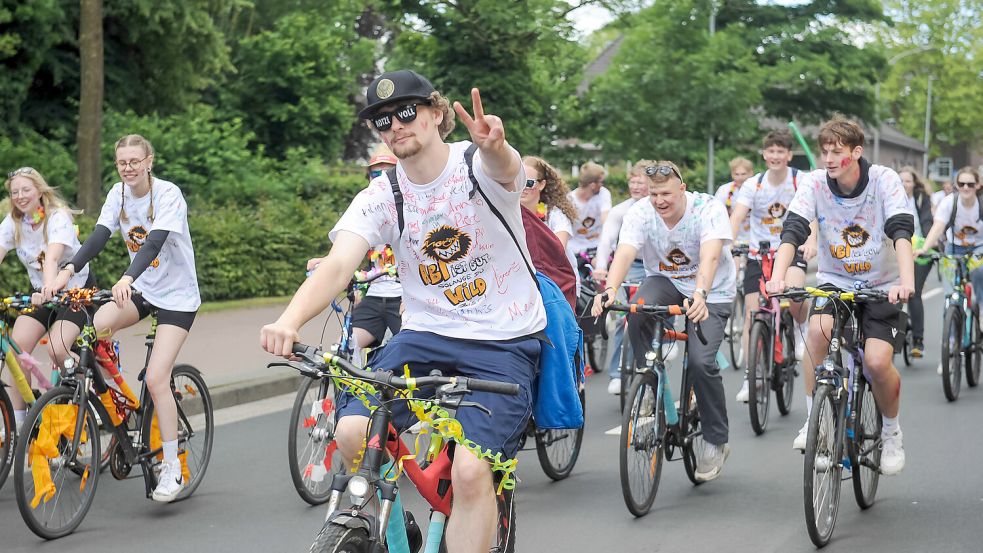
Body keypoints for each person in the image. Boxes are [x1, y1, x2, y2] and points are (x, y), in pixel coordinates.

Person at [260, 70, 545, 553]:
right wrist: (289, 320)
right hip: (426, 336)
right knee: (352, 432)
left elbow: (507, 167)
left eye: (407, 111)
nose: (395, 124)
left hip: (505, 338)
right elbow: (336, 267)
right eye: (382, 119)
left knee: (472, 470)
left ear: (436, 114)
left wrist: (495, 145)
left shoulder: (476, 164)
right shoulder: (382, 194)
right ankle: (393, 534)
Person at [49, 134, 202, 501]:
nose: (128, 168)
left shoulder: (168, 194)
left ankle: (170, 468)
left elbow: (155, 241)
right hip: (143, 289)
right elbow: (99, 236)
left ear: (149, 160)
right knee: (90, 332)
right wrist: (69, 269)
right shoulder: (116, 194)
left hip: (177, 296)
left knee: (155, 377)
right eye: (122, 162)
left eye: (135, 161)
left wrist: (127, 277)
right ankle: (118, 403)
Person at [766, 116, 913, 476]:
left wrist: (906, 281)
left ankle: (892, 433)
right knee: (815, 334)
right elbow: (794, 230)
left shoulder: (882, 180)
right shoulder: (815, 183)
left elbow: (900, 231)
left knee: (877, 363)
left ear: (856, 152)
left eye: (837, 152)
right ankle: (815, 422)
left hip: (882, 284)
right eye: (824, 152)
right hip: (835, 280)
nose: (829, 159)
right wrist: (777, 276)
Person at [593, 160, 735, 482]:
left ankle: (715, 440)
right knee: (637, 309)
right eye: (654, 194)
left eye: (666, 194)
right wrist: (610, 290)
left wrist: (700, 294)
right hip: (666, 282)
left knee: (701, 363)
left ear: (682, 189)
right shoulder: (641, 212)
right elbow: (626, 252)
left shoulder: (707, 208)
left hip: (711, 290)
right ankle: (651, 382)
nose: (659, 201)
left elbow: (711, 255)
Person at [728, 131, 816, 403]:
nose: (776, 156)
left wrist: (810, 241)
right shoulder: (753, 185)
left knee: (794, 291)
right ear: (764, 155)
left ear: (789, 155)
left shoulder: (799, 180)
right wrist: (724, 245)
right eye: (771, 151)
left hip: (791, 249)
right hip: (759, 253)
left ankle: (801, 332)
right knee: (752, 315)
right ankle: (750, 376)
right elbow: (737, 217)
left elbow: (812, 215)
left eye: (781, 152)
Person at [0, 167, 91, 427]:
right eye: (15, 191)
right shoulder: (14, 222)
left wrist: (49, 289)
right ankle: (19, 427)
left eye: (26, 190)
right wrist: (45, 292)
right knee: (16, 350)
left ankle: (81, 396)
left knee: (57, 348)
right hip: (43, 294)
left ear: (39, 190)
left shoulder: (56, 217)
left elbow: (52, 258)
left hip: (74, 291)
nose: (20, 196)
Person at [308, 144, 402, 355]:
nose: (380, 178)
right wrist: (326, 262)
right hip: (375, 298)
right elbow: (345, 254)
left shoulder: (408, 207)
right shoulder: (366, 210)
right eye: (375, 173)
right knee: (343, 348)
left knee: (407, 353)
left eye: (388, 173)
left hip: (404, 299)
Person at [916, 166, 983, 375]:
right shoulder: (949, 203)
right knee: (951, 297)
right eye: (961, 184)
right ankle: (950, 349)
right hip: (953, 249)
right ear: (956, 185)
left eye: (970, 184)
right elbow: (938, 227)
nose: (965, 188)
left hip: (979, 249)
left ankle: (979, 311)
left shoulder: (981, 204)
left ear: (977, 186)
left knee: (979, 278)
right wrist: (925, 248)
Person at [592, 161, 651, 395]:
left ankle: (660, 346)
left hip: (655, 268)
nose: (636, 186)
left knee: (655, 311)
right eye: (632, 182)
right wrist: (599, 266)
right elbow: (606, 241)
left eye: (641, 182)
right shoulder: (621, 211)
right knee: (621, 318)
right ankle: (618, 372)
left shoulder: (658, 207)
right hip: (631, 267)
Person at [520, 155, 580, 296]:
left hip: (559, 285)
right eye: (518, 181)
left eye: (528, 183)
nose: (522, 187)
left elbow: (558, 249)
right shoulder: (510, 215)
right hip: (525, 283)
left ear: (542, 184)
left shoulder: (554, 215)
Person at [899, 166, 933, 358]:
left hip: (920, 251)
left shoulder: (921, 199)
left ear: (914, 183)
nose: (904, 184)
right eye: (901, 180)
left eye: (908, 181)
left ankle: (918, 341)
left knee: (914, 292)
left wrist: (926, 245)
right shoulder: (889, 197)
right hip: (895, 252)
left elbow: (928, 221)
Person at [567, 161, 611, 257]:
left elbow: (606, 220)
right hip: (574, 249)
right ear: (593, 185)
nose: (603, 185)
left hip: (597, 246)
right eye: (601, 182)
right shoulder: (569, 200)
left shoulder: (603, 193)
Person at [714, 156, 754, 245]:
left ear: (751, 173)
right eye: (737, 174)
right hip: (731, 236)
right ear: (732, 174)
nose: (740, 178)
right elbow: (716, 214)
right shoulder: (724, 190)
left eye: (743, 174)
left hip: (754, 238)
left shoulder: (758, 189)